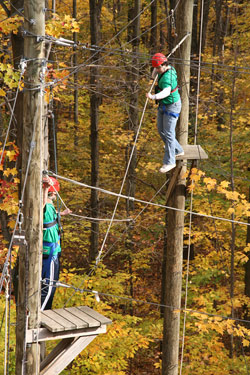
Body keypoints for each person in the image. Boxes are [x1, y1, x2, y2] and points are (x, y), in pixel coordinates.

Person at [146, 52, 184, 173]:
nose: (157, 70)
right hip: (164, 105)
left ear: (165, 64)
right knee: (161, 130)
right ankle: (177, 149)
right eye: (156, 68)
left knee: (168, 133)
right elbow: (155, 70)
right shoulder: (164, 68)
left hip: (172, 106)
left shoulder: (168, 77)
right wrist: (152, 77)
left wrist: (153, 97)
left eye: (158, 68)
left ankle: (169, 162)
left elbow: (166, 92)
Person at [41, 176, 71, 310]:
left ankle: (44, 310)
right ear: (53, 193)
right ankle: (42, 312)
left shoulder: (50, 206)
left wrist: (62, 214)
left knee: (50, 282)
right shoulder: (45, 204)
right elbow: (41, 207)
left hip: (54, 249)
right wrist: (45, 188)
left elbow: (50, 215)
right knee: (49, 285)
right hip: (49, 249)